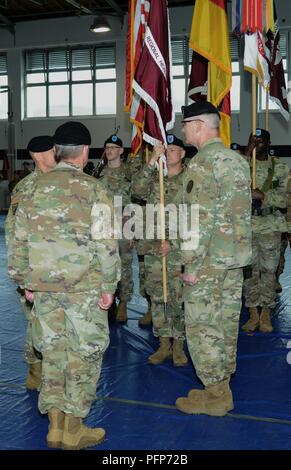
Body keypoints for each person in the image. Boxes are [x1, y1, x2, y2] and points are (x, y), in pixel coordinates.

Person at [8, 121, 120, 450]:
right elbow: (107, 245)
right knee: (84, 356)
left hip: (43, 289)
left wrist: (24, 281)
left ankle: (54, 427)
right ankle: (74, 428)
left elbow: (16, 240)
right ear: (85, 152)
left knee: (54, 354)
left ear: (56, 152)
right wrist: (110, 286)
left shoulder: (31, 188)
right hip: (84, 290)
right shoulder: (94, 189)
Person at [161, 101, 252, 416]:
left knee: (203, 327)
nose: (182, 130)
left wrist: (191, 263)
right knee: (226, 324)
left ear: (198, 125)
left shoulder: (202, 164)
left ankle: (215, 395)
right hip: (233, 259)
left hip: (208, 261)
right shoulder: (236, 160)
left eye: (185, 124)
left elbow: (197, 219)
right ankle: (221, 387)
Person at [131, 134, 188, 366]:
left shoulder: (191, 180)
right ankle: (163, 342)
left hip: (180, 249)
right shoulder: (155, 178)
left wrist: (174, 243)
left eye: (172, 150)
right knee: (157, 295)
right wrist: (152, 161)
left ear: (183, 154)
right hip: (154, 247)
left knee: (179, 297)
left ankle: (179, 343)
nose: (168, 153)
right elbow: (136, 190)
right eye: (166, 150)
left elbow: (198, 218)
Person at [5, 135, 56, 390]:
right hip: (34, 269)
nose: (54, 155)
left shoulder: (64, 182)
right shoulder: (25, 189)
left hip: (61, 269)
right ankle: (35, 367)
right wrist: (22, 276)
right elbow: (14, 234)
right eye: (48, 152)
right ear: (36, 156)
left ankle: (52, 367)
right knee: (36, 323)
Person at [242, 129, 288, 333]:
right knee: (249, 272)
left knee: (268, 271)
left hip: (270, 225)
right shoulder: (240, 166)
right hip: (246, 226)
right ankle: (253, 312)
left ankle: (266, 312)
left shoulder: (279, 167)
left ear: (268, 143)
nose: (257, 144)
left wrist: (262, 196)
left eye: (261, 141)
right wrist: (246, 154)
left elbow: (285, 199)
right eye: (253, 141)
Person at [98, 135, 133, 322]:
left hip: (123, 226)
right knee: (105, 265)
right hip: (103, 228)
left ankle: (124, 304)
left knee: (125, 267)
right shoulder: (99, 173)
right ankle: (108, 302)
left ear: (121, 151)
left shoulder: (128, 174)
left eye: (113, 147)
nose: (109, 150)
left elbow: (134, 202)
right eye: (107, 147)